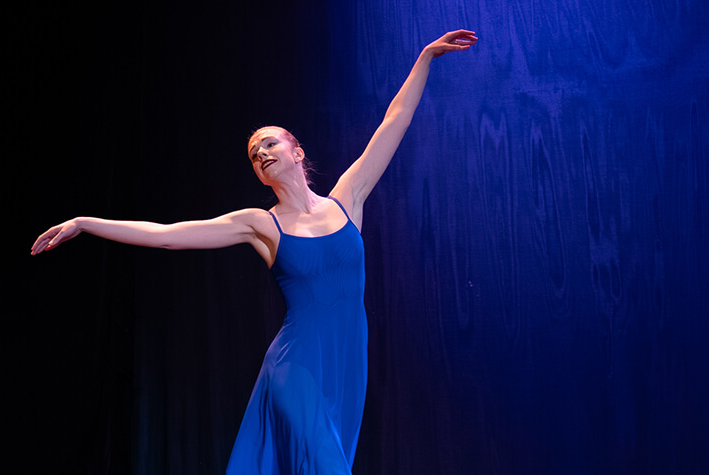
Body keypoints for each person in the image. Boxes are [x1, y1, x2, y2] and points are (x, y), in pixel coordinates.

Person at [30, 30, 477, 474]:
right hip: (294, 368)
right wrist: (86, 223)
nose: (261, 152)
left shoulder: (348, 199)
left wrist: (425, 57)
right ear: (259, 176)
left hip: (345, 364)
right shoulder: (262, 225)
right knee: (326, 464)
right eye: (253, 152)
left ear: (297, 152)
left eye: (269, 142)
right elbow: (167, 234)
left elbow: (392, 123)